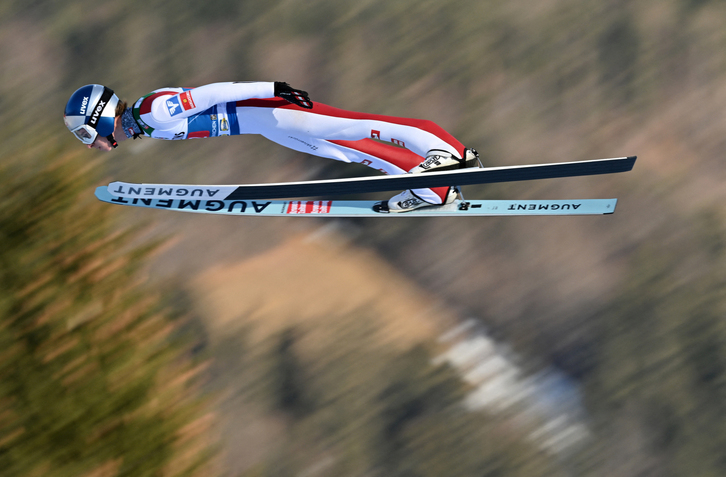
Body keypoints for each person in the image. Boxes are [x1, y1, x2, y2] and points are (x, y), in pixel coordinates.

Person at [64, 82, 479, 212]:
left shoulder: (153, 111)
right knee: (348, 151)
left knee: (361, 128)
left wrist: (275, 89)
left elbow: (213, 92)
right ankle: (434, 188)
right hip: (268, 127)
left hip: (274, 111)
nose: (91, 145)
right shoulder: (145, 123)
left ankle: (453, 153)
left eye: (86, 134)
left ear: (100, 116)